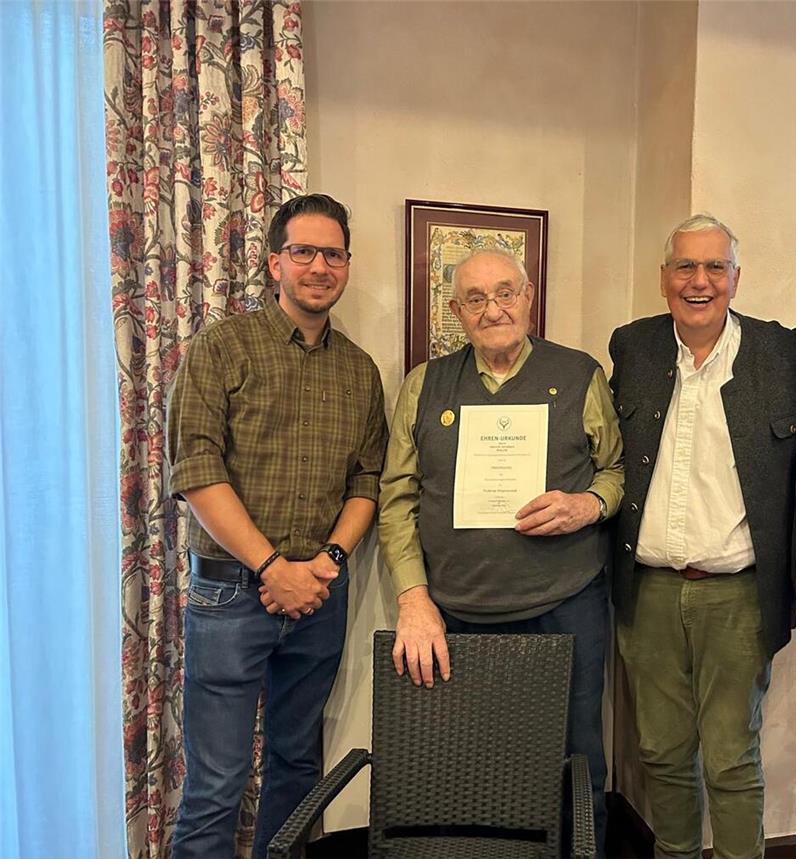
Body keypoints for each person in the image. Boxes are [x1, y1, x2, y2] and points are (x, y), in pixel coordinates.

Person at [378, 246, 623, 854]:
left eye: (506, 293)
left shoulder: (580, 374)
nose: (494, 310)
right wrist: (413, 599)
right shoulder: (426, 384)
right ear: (456, 311)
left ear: (529, 296)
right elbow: (397, 497)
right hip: (455, 613)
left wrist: (585, 505)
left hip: (566, 605)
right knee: (461, 764)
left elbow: (615, 471)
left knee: (577, 760)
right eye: (476, 299)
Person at [167, 193, 387, 857]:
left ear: (346, 265)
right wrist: (273, 568)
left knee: (298, 769)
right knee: (217, 782)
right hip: (233, 592)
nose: (319, 265)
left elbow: (366, 481)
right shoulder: (222, 347)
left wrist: (325, 563)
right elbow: (197, 472)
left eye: (333, 253)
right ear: (275, 262)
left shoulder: (360, 370)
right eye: (304, 252)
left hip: (320, 594)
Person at [610, 214, 796, 859]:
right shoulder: (634, 348)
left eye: (714, 268)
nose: (699, 282)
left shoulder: (784, 356)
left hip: (737, 597)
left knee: (730, 758)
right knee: (660, 753)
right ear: (664, 278)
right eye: (685, 268)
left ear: (735, 277)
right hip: (647, 595)